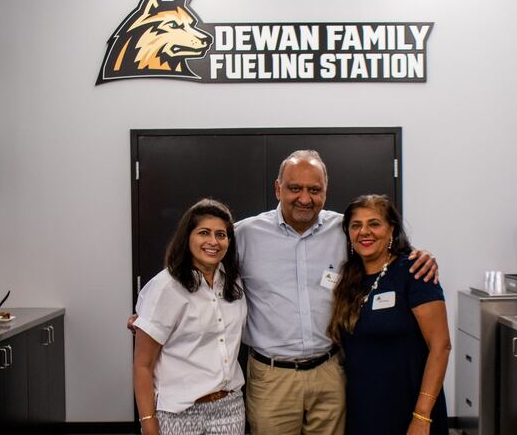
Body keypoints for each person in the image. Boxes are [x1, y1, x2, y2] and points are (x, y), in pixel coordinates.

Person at [130, 150, 438, 434]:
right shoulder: (245, 234)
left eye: (314, 190)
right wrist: (150, 318)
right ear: (278, 189)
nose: (305, 198)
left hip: (330, 372)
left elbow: (381, 247)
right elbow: (203, 266)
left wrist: (417, 255)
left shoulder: (345, 230)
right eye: (295, 188)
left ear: (325, 191)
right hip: (271, 378)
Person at [328, 195, 450, 435]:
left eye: (374, 224)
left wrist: (422, 415)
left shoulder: (414, 272)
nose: (364, 232)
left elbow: (441, 346)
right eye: (356, 225)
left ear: (391, 229)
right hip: (363, 408)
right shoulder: (350, 279)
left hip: (409, 407)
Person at [133, 199, 247, 435]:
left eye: (221, 235)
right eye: (204, 233)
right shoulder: (166, 287)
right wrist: (148, 422)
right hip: (178, 412)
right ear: (187, 238)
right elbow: (142, 366)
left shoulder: (233, 283)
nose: (213, 242)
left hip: (229, 408)